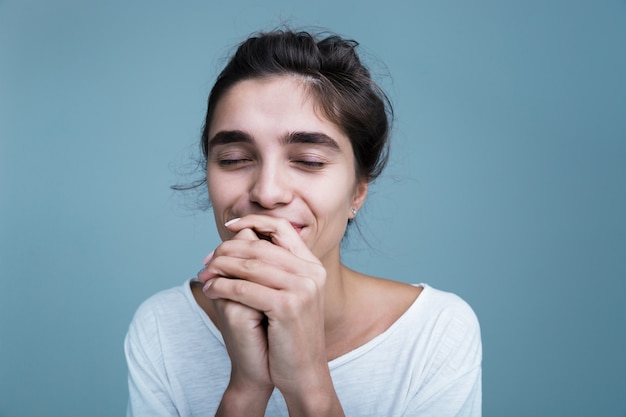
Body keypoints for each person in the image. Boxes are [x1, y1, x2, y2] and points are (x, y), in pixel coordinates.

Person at [125, 29, 482, 417]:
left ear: (358, 190)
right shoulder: (163, 326)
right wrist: (246, 388)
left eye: (309, 161)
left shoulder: (436, 331)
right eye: (232, 158)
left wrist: (309, 383)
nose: (267, 191)